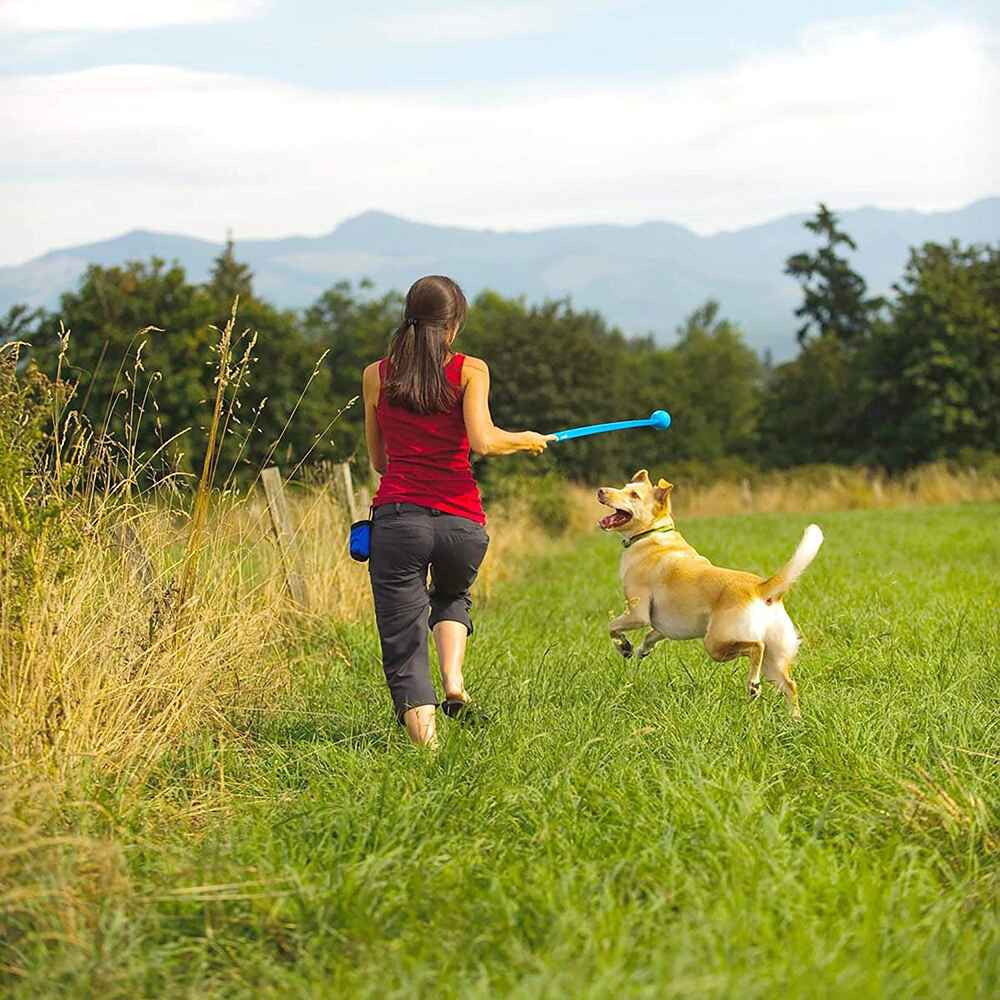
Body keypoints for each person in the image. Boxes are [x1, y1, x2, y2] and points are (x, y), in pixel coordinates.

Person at [363, 275, 551, 746]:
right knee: (451, 595)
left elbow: (379, 461)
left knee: (404, 637)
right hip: (461, 523)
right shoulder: (471, 370)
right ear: (454, 325)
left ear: (408, 319)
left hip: (399, 519)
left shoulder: (376, 375)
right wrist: (525, 439)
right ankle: (454, 683)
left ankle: (426, 750)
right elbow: (485, 441)